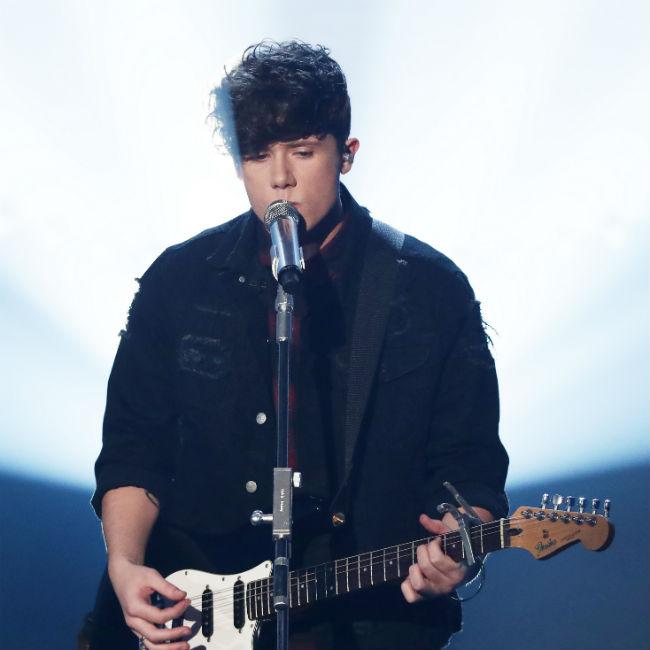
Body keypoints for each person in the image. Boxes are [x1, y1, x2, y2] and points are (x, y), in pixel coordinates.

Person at [84, 40, 508, 650]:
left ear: (346, 154)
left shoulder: (429, 290)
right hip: (188, 614)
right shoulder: (179, 281)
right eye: (257, 155)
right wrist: (124, 565)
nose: (279, 176)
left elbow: (470, 465)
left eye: (303, 151)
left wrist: (461, 539)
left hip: (364, 620)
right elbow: (133, 449)